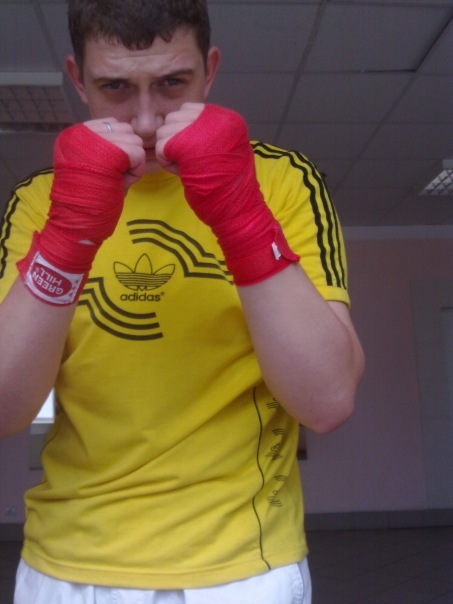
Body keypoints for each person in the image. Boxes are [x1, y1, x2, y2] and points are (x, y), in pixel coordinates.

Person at [0, 1, 364, 602]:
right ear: (77, 79)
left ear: (210, 70)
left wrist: (240, 212)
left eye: (173, 82)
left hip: (242, 565)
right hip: (67, 563)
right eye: (116, 87)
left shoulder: (281, 181)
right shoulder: (41, 200)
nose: (146, 121)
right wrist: (67, 239)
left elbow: (326, 401)